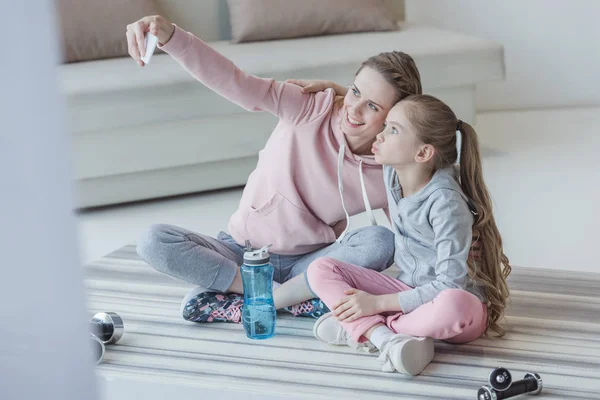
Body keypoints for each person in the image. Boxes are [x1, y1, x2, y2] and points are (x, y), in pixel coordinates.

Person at [125, 15, 423, 323]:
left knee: (380, 241)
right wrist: (172, 37)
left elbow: (414, 236)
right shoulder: (310, 107)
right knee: (153, 241)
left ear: (395, 118)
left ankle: (244, 298)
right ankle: (289, 298)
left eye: (373, 106)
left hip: (309, 263)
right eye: (355, 91)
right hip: (241, 253)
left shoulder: (392, 167)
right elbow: (235, 82)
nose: (354, 109)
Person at [306, 94, 511, 376]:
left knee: (455, 304)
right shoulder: (393, 172)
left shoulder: (445, 203)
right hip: (406, 294)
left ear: (424, 153)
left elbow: (450, 284)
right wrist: (332, 91)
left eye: (392, 130)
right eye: (386, 126)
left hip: (455, 305)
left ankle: (369, 328)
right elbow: (376, 110)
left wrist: (375, 304)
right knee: (320, 268)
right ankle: (386, 339)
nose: (379, 135)